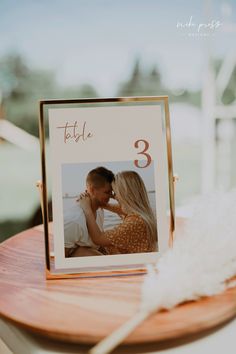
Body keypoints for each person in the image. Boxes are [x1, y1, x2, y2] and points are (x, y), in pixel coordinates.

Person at [79, 170, 158, 254]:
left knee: (80, 252)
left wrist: (86, 208)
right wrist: (101, 203)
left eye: (115, 193)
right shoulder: (142, 214)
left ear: (125, 195)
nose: (113, 196)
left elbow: (98, 239)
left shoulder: (134, 223)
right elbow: (121, 209)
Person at [64, 166, 114, 257]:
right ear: (91, 190)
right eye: (107, 192)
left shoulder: (100, 210)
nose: (110, 196)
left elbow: (98, 243)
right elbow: (63, 259)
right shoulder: (74, 221)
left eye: (112, 192)